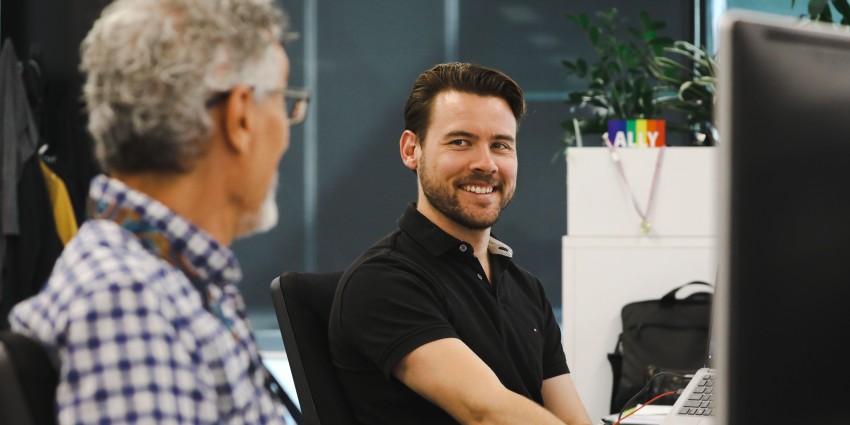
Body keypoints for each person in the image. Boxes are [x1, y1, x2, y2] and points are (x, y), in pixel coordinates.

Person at [8, 0, 308, 423]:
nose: (288, 127)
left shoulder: (176, 281)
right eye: (283, 99)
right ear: (241, 114)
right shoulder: (128, 305)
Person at [328, 62, 593, 425]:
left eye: (500, 145)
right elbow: (486, 412)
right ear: (411, 150)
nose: (486, 164)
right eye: (460, 142)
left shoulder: (524, 287)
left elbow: (574, 419)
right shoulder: (384, 281)